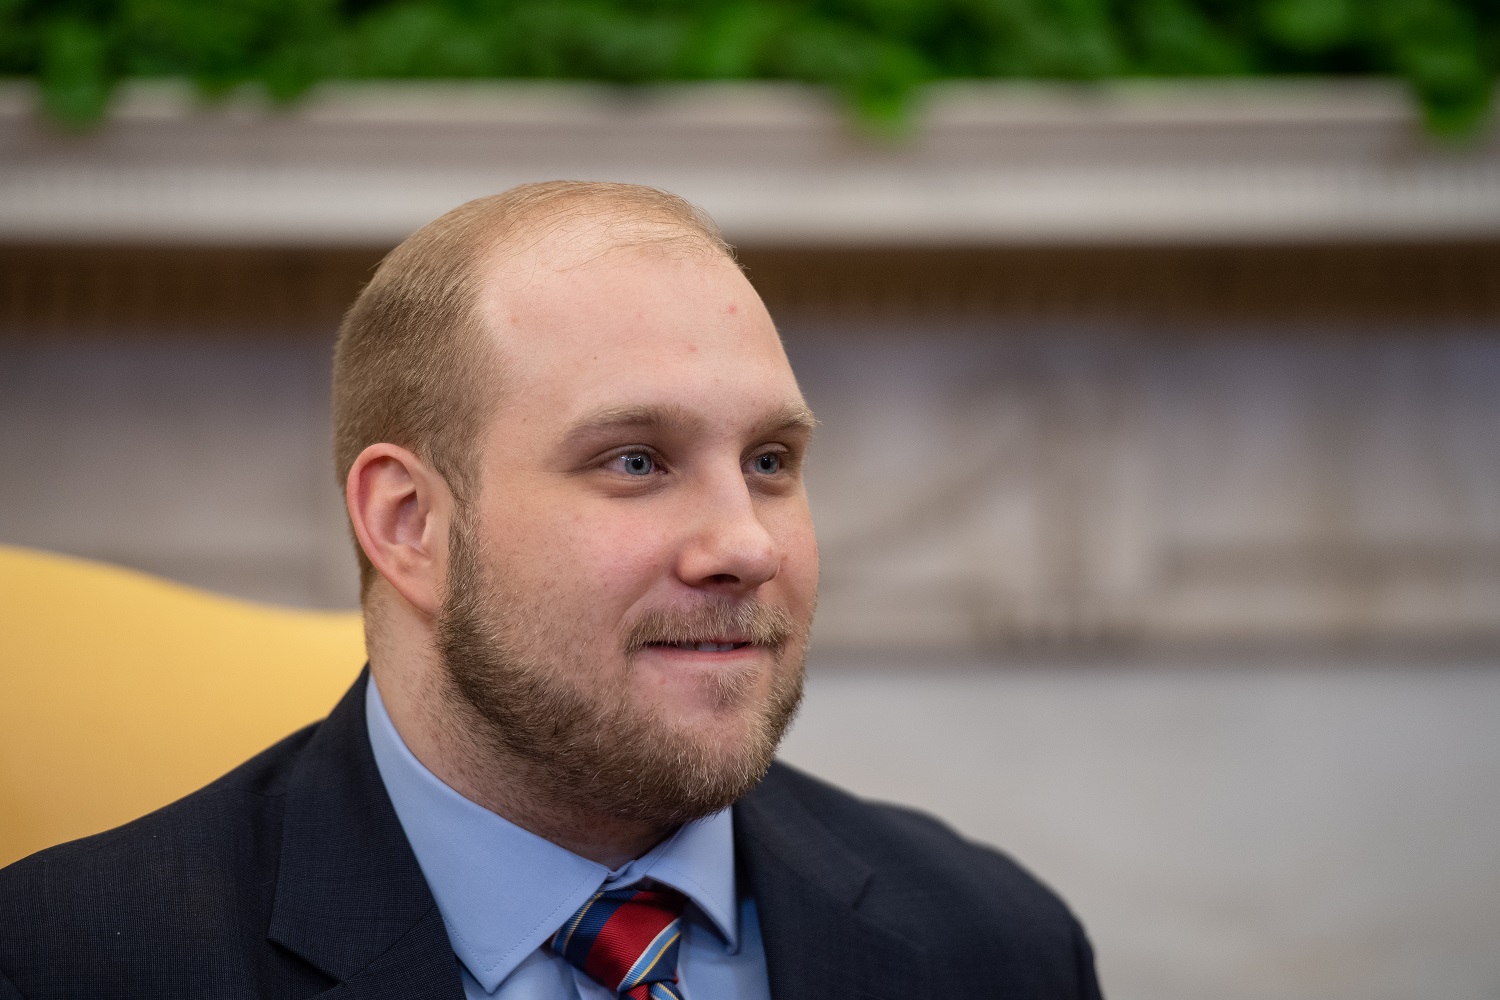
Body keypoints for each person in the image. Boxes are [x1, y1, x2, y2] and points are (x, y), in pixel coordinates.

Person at [0, 182, 1102, 1000]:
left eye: (770, 461)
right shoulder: (66, 962)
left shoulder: (994, 944)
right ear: (410, 524)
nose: (747, 545)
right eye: (635, 460)